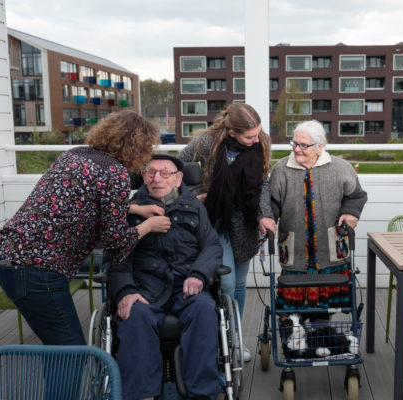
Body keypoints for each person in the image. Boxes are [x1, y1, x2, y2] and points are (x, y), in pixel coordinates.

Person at [0, 110, 171, 346]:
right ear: (137, 145)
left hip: (9, 258)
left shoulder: (74, 155)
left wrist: (134, 210)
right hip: (37, 270)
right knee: (70, 352)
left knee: (58, 349)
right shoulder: (115, 172)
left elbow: (80, 203)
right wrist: (148, 226)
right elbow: (116, 242)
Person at [110, 154, 222, 400]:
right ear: (143, 176)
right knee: (134, 314)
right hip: (145, 287)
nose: (156, 178)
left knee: (204, 309)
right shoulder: (130, 210)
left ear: (179, 178)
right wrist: (126, 291)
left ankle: (202, 395)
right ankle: (142, 395)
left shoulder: (194, 206)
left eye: (164, 173)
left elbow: (212, 247)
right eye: (150, 172)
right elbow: (118, 257)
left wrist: (199, 274)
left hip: (186, 284)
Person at [179, 103, 276, 361]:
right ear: (232, 132)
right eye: (249, 137)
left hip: (245, 220)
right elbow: (174, 171)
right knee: (228, 283)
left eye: (257, 134)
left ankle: (235, 338)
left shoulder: (262, 141)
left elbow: (263, 183)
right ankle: (220, 339)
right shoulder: (207, 142)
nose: (256, 140)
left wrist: (264, 214)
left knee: (241, 283)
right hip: (215, 219)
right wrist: (192, 197)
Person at [270, 120, 367, 310]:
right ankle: (294, 335)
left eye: (304, 145)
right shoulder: (281, 169)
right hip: (295, 250)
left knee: (326, 307)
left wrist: (350, 212)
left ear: (320, 147)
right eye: (295, 143)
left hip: (331, 248)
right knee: (292, 308)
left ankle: (321, 334)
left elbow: (356, 196)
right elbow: (272, 202)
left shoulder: (340, 168)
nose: (297, 149)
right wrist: (268, 219)